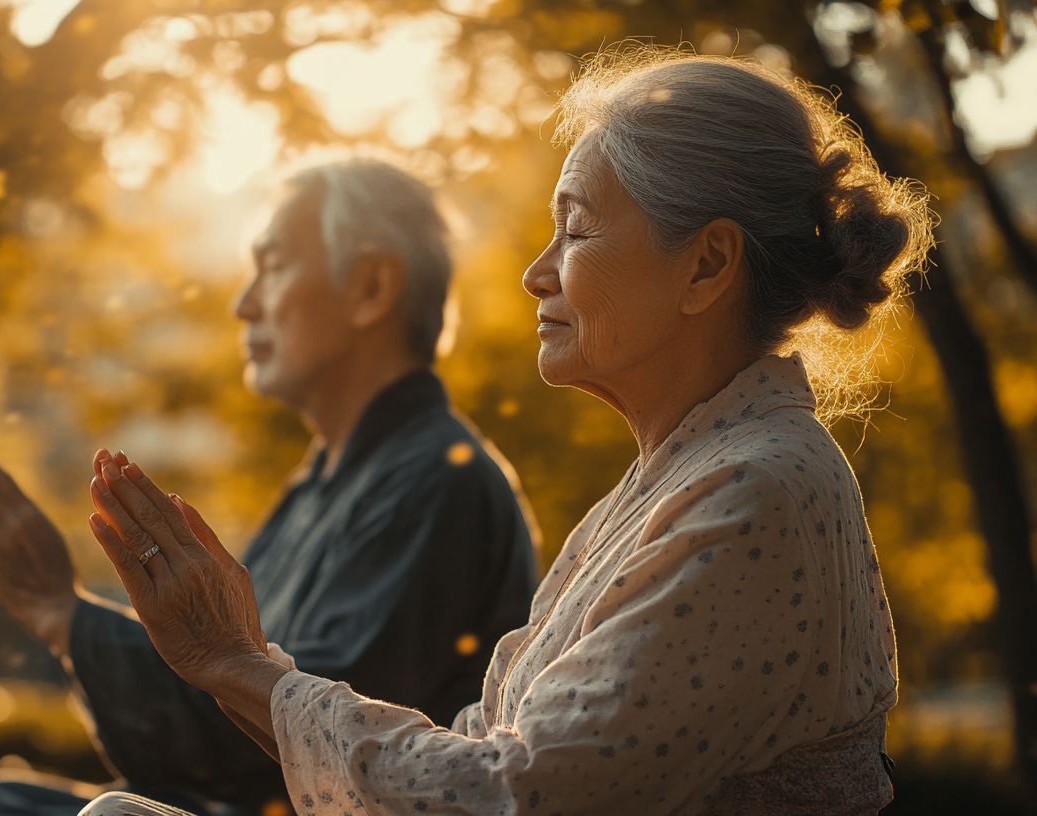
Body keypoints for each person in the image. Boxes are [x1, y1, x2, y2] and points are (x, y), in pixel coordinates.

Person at [76, 50, 933, 816]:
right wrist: (237, 664)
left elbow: (513, 798)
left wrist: (237, 663)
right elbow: (479, 756)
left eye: (578, 226)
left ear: (707, 264)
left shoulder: (759, 492)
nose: (536, 272)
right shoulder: (674, 484)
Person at [0, 158, 541, 816]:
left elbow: (290, 736)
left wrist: (64, 614)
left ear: (371, 286)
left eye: (275, 264)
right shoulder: (332, 478)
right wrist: (68, 617)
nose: (244, 303)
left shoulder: (438, 478)